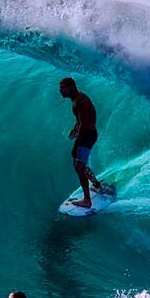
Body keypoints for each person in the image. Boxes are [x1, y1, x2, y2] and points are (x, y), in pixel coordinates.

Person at [59, 77, 110, 208]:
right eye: (60, 88)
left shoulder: (79, 102)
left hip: (87, 136)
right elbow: (82, 120)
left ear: (71, 87)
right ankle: (96, 184)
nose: (61, 91)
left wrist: (76, 144)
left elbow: (84, 124)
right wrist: (74, 129)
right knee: (79, 164)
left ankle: (87, 200)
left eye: (63, 87)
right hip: (88, 134)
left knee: (79, 166)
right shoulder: (78, 99)